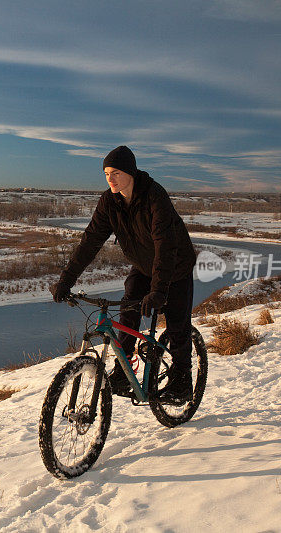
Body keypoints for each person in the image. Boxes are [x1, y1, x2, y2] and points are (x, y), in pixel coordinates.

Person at [50, 146, 197, 404]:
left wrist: (159, 290)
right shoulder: (110, 202)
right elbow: (90, 242)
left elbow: (165, 244)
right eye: (106, 173)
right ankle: (123, 369)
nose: (110, 178)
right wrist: (66, 281)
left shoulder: (154, 196)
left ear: (130, 171)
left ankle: (182, 381)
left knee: (177, 324)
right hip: (143, 267)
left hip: (175, 267)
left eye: (115, 172)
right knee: (128, 309)